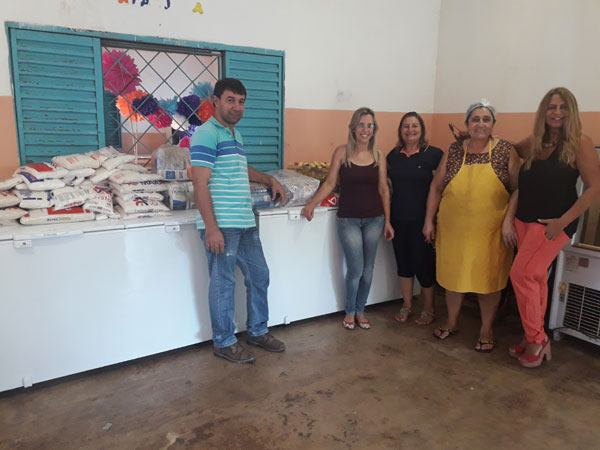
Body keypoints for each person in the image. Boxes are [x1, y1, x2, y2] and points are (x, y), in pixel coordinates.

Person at [190, 78, 287, 364]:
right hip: (222, 223)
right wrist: (211, 228)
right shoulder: (206, 134)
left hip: (245, 220)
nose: (236, 107)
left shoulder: (235, 134)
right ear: (215, 101)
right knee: (223, 283)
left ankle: (257, 331)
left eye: (241, 101)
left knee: (259, 275)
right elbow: (199, 183)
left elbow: (240, 169)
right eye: (230, 100)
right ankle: (224, 341)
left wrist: (269, 179)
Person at [509, 87, 600, 368]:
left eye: (563, 107)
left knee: (522, 274)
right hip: (524, 220)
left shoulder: (580, 143)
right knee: (535, 278)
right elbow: (511, 148)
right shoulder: (536, 141)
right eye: (551, 107)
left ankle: (537, 339)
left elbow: (594, 188)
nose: (557, 112)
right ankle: (532, 334)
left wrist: (563, 221)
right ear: (543, 112)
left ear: (571, 111)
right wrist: (474, 135)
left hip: (552, 224)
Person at [423, 100, 520, 352]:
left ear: (493, 124)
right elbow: (436, 187)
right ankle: (452, 321)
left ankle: (486, 329)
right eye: (475, 119)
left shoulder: (505, 151)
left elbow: (518, 189)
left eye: (486, 119)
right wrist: (428, 220)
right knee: (453, 277)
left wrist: (508, 221)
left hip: (490, 232)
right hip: (453, 229)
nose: (480, 124)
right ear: (467, 124)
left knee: (488, 281)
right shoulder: (454, 150)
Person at [301, 107, 394, 330]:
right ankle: (350, 311)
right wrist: (312, 203)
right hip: (348, 219)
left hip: (375, 219)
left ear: (374, 129)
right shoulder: (342, 152)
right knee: (355, 269)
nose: (365, 130)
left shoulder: (379, 155)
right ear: (353, 128)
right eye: (361, 125)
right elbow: (330, 183)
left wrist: (388, 221)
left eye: (370, 125)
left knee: (368, 269)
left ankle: (361, 310)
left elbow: (383, 189)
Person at [387, 112, 443, 326]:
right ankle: (407, 305)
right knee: (403, 262)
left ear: (422, 130)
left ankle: (429, 308)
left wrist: (431, 221)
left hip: (423, 220)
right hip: (398, 218)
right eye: (406, 126)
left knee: (423, 264)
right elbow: (387, 186)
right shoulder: (393, 156)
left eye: (414, 126)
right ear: (400, 131)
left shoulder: (434, 154)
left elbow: (440, 188)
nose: (410, 130)